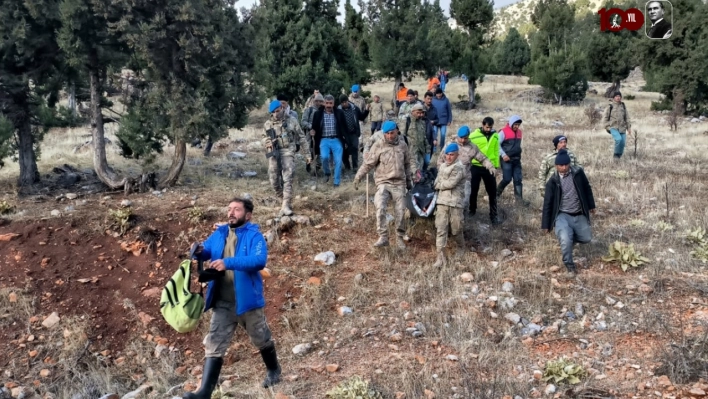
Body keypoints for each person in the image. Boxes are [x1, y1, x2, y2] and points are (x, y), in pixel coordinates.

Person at [186, 197, 279, 399]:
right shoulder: (220, 233)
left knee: (261, 338)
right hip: (223, 302)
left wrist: (228, 262)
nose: (231, 212)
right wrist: (200, 251)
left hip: (248, 302)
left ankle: (274, 371)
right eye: (229, 209)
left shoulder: (255, 236)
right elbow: (207, 249)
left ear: (248, 215)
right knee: (214, 344)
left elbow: (259, 260)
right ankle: (204, 393)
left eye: (236, 209)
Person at [353, 120, 413, 250]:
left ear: (397, 131)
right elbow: (368, 164)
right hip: (383, 181)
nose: (390, 136)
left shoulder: (403, 145)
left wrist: (409, 181)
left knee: (401, 211)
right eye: (387, 134)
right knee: (380, 207)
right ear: (383, 134)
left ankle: (399, 237)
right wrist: (358, 177)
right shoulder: (378, 145)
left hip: (399, 182)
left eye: (392, 133)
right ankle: (383, 236)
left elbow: (407, 164)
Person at [541, 150, 596, 278]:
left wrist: (591, 205)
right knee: (565, 240)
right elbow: (547, 204)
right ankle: (569, 265)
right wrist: (545, 225)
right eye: (561, 165)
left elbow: (587, 188)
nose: (564, 167)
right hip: (562, 215)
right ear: (556, 166)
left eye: (566, 164)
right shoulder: (552, 182)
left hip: (579, 213)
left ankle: (569, 237)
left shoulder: (578, 173)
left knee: (587, 238)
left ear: (569, 164)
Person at [263, 100, 311, 216]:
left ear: (282, 108)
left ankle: (286, 204)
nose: (276, 114)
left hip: (287, 150)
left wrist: (308, 154)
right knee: (273, 178)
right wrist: (268, 142)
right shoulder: (268, 124)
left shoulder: (292, 120)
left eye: (278, 111)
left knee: (288, 176)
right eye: (273, 112)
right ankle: (282, 198)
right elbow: (263, 137)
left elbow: (301, 137)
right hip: (274, 151)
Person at [440, 126, 495, 217]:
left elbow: (482, 158)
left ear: (468, 136)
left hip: (464, 179)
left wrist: (490, 166)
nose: (463, 140)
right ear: (458, 136)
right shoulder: (450, 144)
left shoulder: (472, 147)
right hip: (449, 177)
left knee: (464, 202)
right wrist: (441, 173)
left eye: (465, 138)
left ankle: (462, 221)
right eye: (461, 138)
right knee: (447, 201)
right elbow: (440, 160)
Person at [432, 143, 467, 268]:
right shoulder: (442, 167)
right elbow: (436, 181)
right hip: (442, 202)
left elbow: (451, 183)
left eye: (452, 155)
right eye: (447, 154)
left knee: (456, 229)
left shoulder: (459, 167)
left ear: (457, 155)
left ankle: (461, 247)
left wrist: (439, 185)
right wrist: (439, 183)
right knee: (441, 229)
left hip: (455, 203)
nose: (448, 157)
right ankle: (440, 258)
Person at [469, 117, 502, 224]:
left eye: (490, 127)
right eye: (487, 127)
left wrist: (496, 166)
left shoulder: (495, 136)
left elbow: (496, 151)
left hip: (489, 167)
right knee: (473, 190)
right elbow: (468, 148)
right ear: (483, 125)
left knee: (492, 192)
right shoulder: (474, 135)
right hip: (475, 166)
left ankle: (493, 216)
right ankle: (472, 211)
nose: (488, 129)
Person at [311, 94, 348, 187]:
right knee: (324, 157)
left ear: (333, 103)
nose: (328, 105)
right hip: (324, 140)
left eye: (330, 103)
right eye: (327, 103)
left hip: (336, 139)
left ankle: (336, 182)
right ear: (324, 103)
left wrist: (346, 140)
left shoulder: (339, 113)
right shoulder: (318, 114)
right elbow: (314, 127)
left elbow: (344, 127)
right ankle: (327, 173)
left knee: (338, 161)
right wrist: (312, 131)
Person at [496, 115, 528, 205]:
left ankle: (519, 201)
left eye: (518, 125)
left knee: (518, 180)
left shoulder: (519, 133)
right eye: (515, 124)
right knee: (507, 179)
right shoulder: (503, 132)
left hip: (517, 159)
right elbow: (496, 145)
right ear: (511, 123)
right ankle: (496, 194)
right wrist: (503, 155)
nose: (517, 126)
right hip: (506, 160)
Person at [338, 94, 368, 171]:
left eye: (345, 102)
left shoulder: (354, 108)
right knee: (344, 150)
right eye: (342, 102)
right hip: (344, 134)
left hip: (354, 132)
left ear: (348, 101)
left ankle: (355, 166)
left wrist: (367, 111)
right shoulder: (338, 111)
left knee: (355, 148)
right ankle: (347, 165)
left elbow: (361, 117)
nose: (344, 104)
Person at [602, 92, 632, 160]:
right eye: (616, 96)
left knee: (623, 143)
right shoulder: (610, 106)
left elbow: (627, 117)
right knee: (618, 139)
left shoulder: (623, 106)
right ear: (613, 97)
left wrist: (629, 127)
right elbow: (605, 118)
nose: (618, 97)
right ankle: (616, 155)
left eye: (619, 96)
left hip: (622, 128)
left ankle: (619, 156)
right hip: (613, 127)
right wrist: (607, 127)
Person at [404, 103, 430, 177]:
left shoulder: (422, 122)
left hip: (421, 150)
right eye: (418, 113)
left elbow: (424, 136)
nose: (420, 115)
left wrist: (427, 147)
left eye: (421, 113)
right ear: (412, 112)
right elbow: (402, 136)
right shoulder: (407, 121)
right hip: (411, 150)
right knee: (413, 170)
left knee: (420, 169)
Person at [302, 93, 325, 175]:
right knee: (310, 151)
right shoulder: (309, 110)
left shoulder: (325, 110)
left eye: (320, 101)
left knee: (320, 152)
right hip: (311, 135)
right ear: (314, 101)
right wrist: (311, 127)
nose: (318, 103)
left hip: (322, 135)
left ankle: (317, 169)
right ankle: (308, 166)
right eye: (317, 101)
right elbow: (303, 122)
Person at [431, 88, 452, 152]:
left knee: (443, 134)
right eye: (437, 94)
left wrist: (449, 120)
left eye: (440, 93)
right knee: (434, 135)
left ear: (442, 93)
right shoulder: (433, 100)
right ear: (436, 94)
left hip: (443, 121)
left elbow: (449, 111)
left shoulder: (446, 100)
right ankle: (434, 147)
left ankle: (442, 147)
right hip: (435, 121)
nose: (439, 95)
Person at [422, 91, 439, 169]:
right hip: (422, 135)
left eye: (431, 99)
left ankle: (425, 170)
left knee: (428, 158)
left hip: (430, 132)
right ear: (424, 98)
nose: (429, 100)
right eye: (428, 99)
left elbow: (437, 120)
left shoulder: (434, 109)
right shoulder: (420, 108)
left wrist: (433, 122)